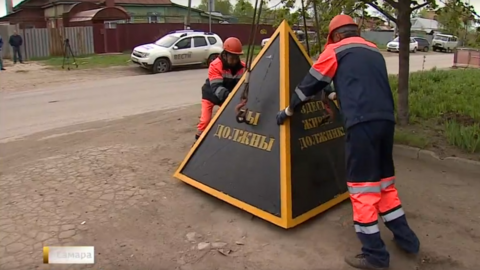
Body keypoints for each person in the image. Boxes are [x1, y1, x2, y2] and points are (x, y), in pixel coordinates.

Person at [276, 15, 419, 270]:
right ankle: (408, 241)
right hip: (385, 122)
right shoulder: (373, 50)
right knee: (384, 183)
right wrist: (332, 93)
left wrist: (288, 111)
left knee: (361, 188)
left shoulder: (335, 50)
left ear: (336, 36)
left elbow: (307, 87)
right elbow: (358, 84)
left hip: (361, 124)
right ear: (356, 31)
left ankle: (375, 255)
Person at [195, 37, 246, 140]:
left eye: (237, 57)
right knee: (205, 121)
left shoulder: (243, 68)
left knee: (221, 119)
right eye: (232, 57)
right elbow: (216, 87)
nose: (235, 60)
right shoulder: (215, 65)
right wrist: (230, 97)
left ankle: (214, 139)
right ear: (225, 54)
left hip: (227, 96)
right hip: (210, 94)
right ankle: (197, 141)